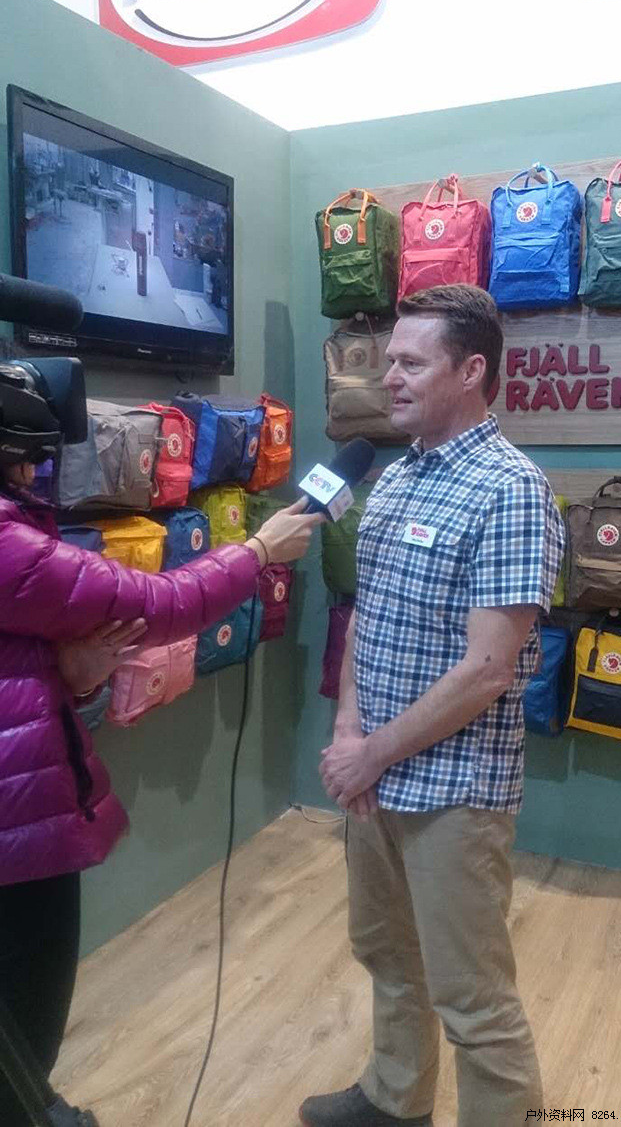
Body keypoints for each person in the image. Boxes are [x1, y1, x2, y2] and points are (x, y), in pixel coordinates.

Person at [0, 386, 323, 1127]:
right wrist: (258, 551)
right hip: (18, 833)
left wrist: (68, 674)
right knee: (27, 1021)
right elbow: (160, 603)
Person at [303, 285, 565, 1127]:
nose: (390, 378)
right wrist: (349, 730)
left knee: (473, 1000)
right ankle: (394, 1098)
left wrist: (370, 753)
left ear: (471, 370)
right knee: (387, 955)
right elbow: (366, 616)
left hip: (454, 790)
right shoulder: (395, 477)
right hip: (373, 777)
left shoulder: (511, 489)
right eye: (390, 362)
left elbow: (488, 670)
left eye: (411, 363)